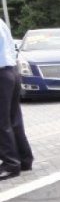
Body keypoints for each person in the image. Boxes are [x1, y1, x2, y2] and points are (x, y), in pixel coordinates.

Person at [0, 18, 33, 180]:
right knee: (14, 119)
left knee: (2, 122)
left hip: (1, 73)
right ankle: (24, 159)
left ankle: (10, 164)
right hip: (11, 71)